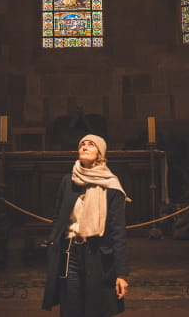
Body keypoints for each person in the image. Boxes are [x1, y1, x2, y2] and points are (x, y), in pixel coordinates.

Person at [43, 135, 129, 317]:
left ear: (100, 152)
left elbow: (118, 233)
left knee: (95, 308)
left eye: (91, 144)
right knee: (71, 306)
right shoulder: (69, 181)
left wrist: (121, 273)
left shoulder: (112, 185)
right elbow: (58, 216)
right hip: (70, 251)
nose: (84, 147)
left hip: (97, 252)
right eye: (82, 144)